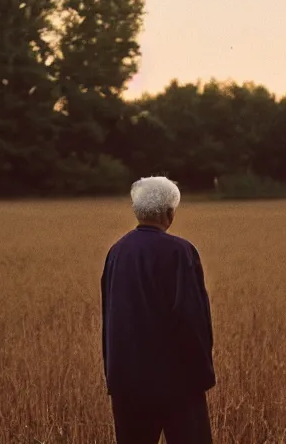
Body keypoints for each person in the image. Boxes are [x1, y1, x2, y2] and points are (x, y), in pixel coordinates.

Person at [101, 176, 215, 444]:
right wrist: (202, 375)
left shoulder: (116, 251)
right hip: (178, 383)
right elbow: (191, 318)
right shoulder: (180, 251)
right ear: (169, 213)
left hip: (126, 381)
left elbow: (110, 315)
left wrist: (114, 375)